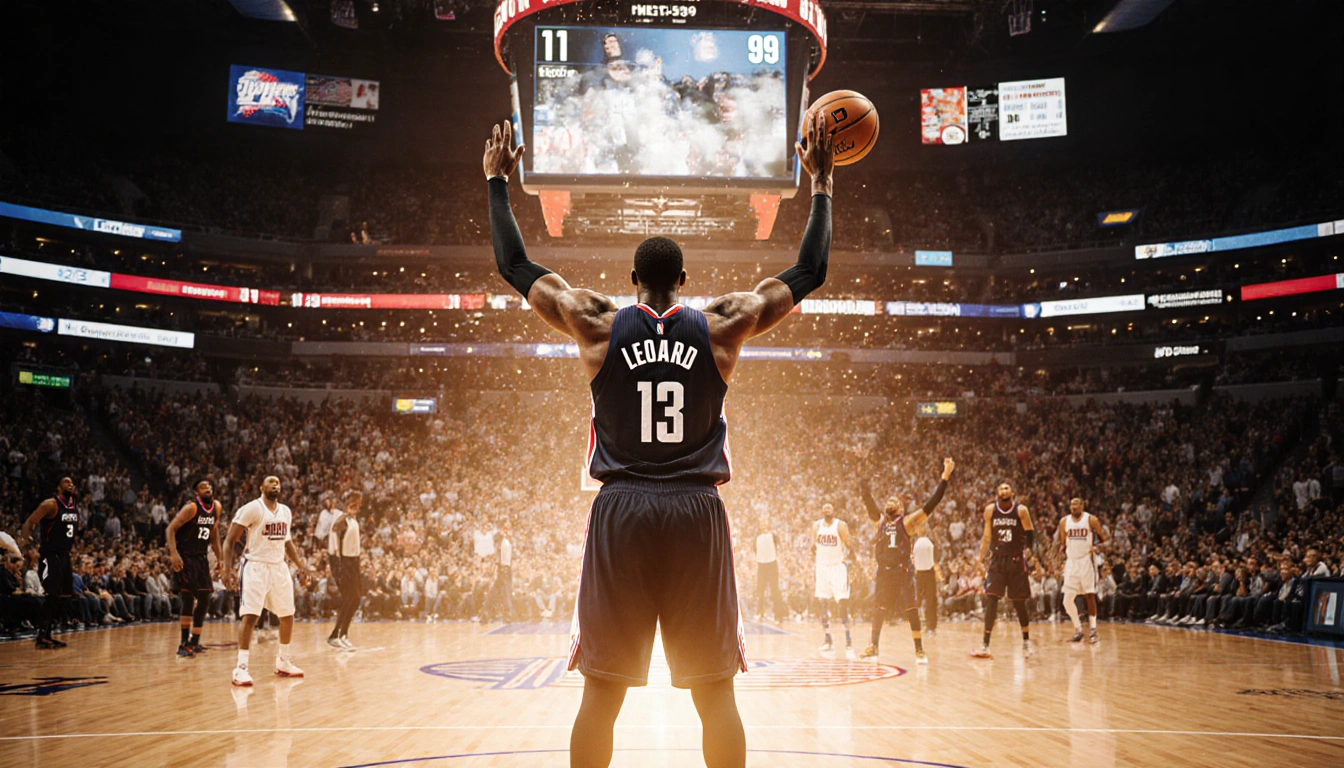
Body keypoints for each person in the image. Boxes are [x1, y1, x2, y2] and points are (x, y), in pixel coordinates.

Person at [484, 111, 833, 768]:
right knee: (715, 695)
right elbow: (810, 271)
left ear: (632, 278)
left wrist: (497, 183)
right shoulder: (724, 323)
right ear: (684, 278)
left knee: (601, 694)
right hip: (696, 511)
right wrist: (823, 188)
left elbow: (512, 263)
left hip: (620, 509)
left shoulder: (594, 321)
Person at [858, 458, 955, 664]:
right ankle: (873, 646)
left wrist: (945, 476)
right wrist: (862, 469)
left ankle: (919, 649)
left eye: (896, 500)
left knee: (911, 608)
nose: (891, 500)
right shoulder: (880, 522)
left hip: (902, 571)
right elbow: (867, 498)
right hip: (884, 571)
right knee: (878, 608)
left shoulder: (908, 522)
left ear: (901, 509)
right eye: (889, 500)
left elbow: (932, 504)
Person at [221, 476, 311, 687]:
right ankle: (241, 668)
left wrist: (300, 565)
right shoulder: (252, 508)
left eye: (278, 482)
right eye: (271, 482)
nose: (275, 484)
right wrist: (226, 569)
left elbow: (287, 542)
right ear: (261, 487)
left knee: (288, 615)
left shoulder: (286, 511)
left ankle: (283, 661)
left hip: (279, 566)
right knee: (250, 616)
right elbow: (229, 540)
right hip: (256, 565)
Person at [972, 481, 1036, 659]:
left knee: (1018, 603)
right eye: (1001, 488)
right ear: (997, 493)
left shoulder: (1021, 510)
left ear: (1013, 492)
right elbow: (987, 537)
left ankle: (1026, 642)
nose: (1004, 490)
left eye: (1007, 487)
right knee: (992, 599)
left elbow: (1030, 534)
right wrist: (979, 557)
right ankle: (985, 644)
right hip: (997, 561)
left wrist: (1031, 552)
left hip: (1015, 560)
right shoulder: (990, 510)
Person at [18, 477, 81, 649]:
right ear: (58, 487)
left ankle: (48, 634)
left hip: (65, 556)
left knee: (63, 597)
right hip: (49, 555)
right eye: (67, 482)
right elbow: (29, 522)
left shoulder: (74, 506)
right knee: (52, 595)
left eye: (72, 482)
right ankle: (41, 636)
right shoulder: (51, 504)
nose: (71, 484)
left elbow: (70, 532)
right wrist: (25, 545)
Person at [166, 479, 223, 657]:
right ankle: (183, 644)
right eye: (203, 487)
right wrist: (174, 554)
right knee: (188, 599)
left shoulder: (217, 507)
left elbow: (214, 534)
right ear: (196, 492)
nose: (207, 488)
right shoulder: (191, 508)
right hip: (186, 556)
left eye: (209, 485)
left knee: (205, 598)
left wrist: (220, 559)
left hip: (201, 557)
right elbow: (170, 529)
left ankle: (194, 641)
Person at [1055, 498, 1108, 644]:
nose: (1073, 506)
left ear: (1082, 506)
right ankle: (1078, 629)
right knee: (1067, 600)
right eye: (1071, 504)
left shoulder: (1091, 519)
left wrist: (1098, 547)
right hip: (1071, 562)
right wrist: (1056, 559)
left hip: (1086, 561)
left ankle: (1093, 629)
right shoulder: (1064, 521)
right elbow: (1062, 543)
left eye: (1076, 504)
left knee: (1089, 595)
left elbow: (1105, 538)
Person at [812, 503, 855, 658]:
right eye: (824, 507)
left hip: (837, 568)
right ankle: (827, 639)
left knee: (842, 606)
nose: (827, 509)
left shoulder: (840, 525)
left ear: (833, 511)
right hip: (822, 568)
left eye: (830, 507)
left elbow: (850, 546)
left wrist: (853, 566)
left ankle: (849, 642)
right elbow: (813, 547)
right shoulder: (816, 526)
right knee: (822, 605)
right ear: (822, 511)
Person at [327, 490, 363, 650]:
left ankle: (341, 635)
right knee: (350, 597)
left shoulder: (354, 520)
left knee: (355, 599)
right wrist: (338, 565)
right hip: (344, 562)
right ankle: (337, 635)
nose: (356, 504)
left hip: (354, 562)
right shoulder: (342, 519)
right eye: (353, 501)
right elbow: (334, 529)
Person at [754, 516, 786, 623]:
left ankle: (779, 615)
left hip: (772, 564)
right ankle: (760, 613)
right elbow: (755, 551)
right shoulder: (757, 537)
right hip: (761, 565)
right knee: (760, 590)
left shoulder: (773, 535)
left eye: (765, 523)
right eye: (762, 523)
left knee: (775, 590)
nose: (764, 525)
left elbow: (779, 547)